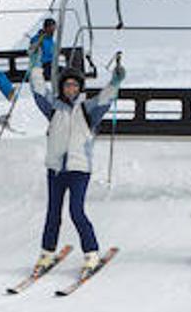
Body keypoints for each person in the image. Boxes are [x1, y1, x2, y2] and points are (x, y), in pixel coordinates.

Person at [28, 58, 124, 273]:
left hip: (79, 169)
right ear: (62, 87)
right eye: (67, 85)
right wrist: (35, 65)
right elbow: (38, 92)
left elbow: (105, 99)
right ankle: (46, 254)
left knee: (76, 211)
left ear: (80, 88)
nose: (71, 89)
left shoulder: (87, 109)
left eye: (75, 85)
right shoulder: (54, 107)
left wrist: (115, 82)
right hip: (55, 169)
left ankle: (91, 253)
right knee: (53, 213)